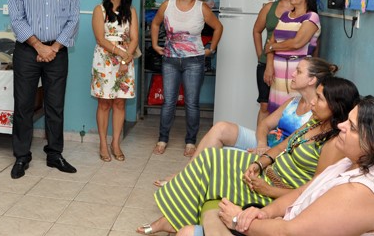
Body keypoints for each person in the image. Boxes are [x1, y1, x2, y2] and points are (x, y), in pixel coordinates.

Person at [136, 77, 360, 234]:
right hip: (268, 172)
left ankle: (169, 222)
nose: (312, 102)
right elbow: (282, 146)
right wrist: (259, 163)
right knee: (209, 158)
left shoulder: (334, 144)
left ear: (335, 105)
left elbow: (311, 192)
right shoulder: (314, 121)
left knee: (208, 168)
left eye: (319, 99)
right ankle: (171, 220)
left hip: (276, 190)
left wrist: (267, 189)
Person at [153, 57, 338, 188]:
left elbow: (297, 147)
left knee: (220, 153)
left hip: (281, 156)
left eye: (298, 71)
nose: (292, 75)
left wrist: (267, 152)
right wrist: (261, 143)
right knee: (221, 128)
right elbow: (264, 125)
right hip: (267, 146)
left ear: (312, 79)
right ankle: (184, 174)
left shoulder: (318, 114)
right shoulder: (293, 102)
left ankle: (185, 181)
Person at [214, 95, 374, 236]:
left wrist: (238, 220)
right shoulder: (348, 162)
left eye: (352, 127)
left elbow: (288, 232)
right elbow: (302, 192)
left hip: (284, 225)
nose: (340, 126)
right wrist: (264, 213)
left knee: (207, 218)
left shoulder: (360, 191)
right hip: (281, 217)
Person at [8, 0, 80, 179]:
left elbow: (73, 20)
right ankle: (21, 156)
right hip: (28, 51)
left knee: (55, 105)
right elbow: (17, 19)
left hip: (57, 53)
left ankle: (54, 154)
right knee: (24, 105)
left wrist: (54, 48)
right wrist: (39, 46)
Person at [151, 0, 223, 157]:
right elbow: (155, 23)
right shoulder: (168, 4)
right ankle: (162, 138)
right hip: (170, 60)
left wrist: (211, 49)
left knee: (191, 103)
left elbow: (218, 27)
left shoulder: (202, 8)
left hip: (194, 61)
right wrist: (154, 44)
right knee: (169, 102)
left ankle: (191, 141)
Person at [91, 0, 138, 162]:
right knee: (104, 103)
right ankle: (103, 143)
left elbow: (134, 38)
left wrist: (126, 61)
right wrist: (121, 54)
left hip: (125, 62)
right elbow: (100, 38)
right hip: (104, 60)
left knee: (119, 102)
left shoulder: (131, 12)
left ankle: (115, 143)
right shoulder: (99, 10)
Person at [265, 0, 321, 114]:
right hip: (277, 75)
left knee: (293, 112)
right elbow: (270, 41)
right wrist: (269, 65)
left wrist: (273, 47)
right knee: (275, 111)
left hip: (298, 74)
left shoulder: (312, 17)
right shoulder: (285, 16)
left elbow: (297, 43)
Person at [252, 0, 299, 125]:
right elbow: (257, 30)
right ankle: (260, 142)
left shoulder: (301, 9)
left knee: (288, 105)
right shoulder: (269, 7)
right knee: (265, 104)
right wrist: (261, 55)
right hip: (267, 64)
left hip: (290, 65)